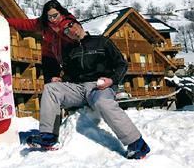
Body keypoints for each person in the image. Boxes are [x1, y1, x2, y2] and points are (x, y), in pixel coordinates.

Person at [27, 19, 151, 160]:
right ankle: (48, 137)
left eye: (71, 25)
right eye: (66, 31)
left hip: (100, 86)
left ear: (79, 24)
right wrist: (61, 80)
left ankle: (137, 144)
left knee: (102, 102)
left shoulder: (101, 42)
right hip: (79, 88)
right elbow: (70, 75)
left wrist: (111, 80)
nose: (70, 30)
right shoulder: (70, 51)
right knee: (50, 88)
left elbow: (121, 64)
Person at [6, 0, 78, 83]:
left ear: (61, 12)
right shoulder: (44, 23)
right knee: (51, 81)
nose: (53, 19)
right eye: (49, 17)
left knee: (70, 79)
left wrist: (59, 31)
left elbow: (75, 37)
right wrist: (5, 20)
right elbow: (25, 23)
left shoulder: (69, 23)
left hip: (68, 54)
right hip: (50, 56)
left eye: (55, 15)